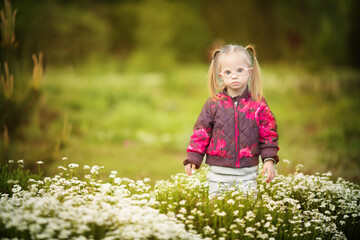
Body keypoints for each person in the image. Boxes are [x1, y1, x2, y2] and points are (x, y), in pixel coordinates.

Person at [183, 44, 279, 198]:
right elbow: (201, 132)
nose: (234, 76)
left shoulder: (258, 104)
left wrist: (269, 160)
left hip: (247, 173)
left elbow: (268, 133)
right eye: (228, 72)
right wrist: (193, 158)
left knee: (247, 209)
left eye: (239, 70)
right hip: (218, 172)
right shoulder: (214, 103)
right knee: (218, 209)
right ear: (221, 76)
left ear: (250, 72)